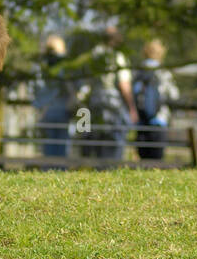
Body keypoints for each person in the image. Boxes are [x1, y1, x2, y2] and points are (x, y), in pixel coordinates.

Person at [80, 25, 137, 162]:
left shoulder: (93, 55)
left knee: (96, 141)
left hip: (94, 103)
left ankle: (98, 171)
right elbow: (124, 85)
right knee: (114, 142)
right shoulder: (117, 56)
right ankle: (109, 170)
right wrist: (131, 108)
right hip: (113, 105)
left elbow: (86, 82)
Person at [133, 39, 179, 161]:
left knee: (143, 161)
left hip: (141, 121)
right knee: (157, 161)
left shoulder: (138, 72)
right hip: (159, 120)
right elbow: (174, 95)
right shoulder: (163, 72)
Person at [33, 35, 74, 164]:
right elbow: (68, 86)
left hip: (46, 111)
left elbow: (35, 89)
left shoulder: (40, 67)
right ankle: (58, 174)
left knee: (49, 147)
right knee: (61, 148)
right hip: (60, 110)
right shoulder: (63, 66)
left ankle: (49, 173)